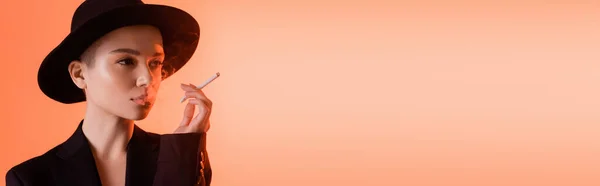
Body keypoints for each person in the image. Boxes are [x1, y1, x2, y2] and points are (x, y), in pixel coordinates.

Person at [5, 0, 213, 185]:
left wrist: (181, 158)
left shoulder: (182, 158)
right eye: (126, 61)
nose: (148, 78)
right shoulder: (32, 178)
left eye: (155, 63)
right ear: (79, 74)